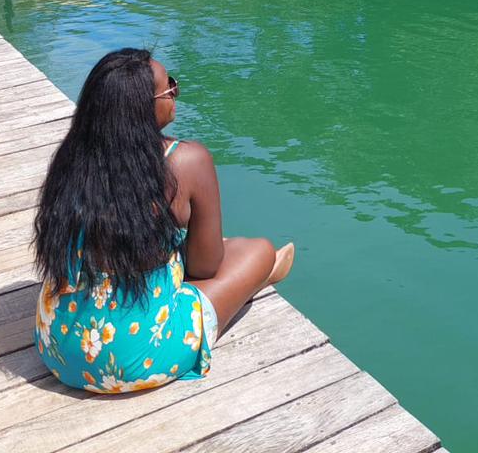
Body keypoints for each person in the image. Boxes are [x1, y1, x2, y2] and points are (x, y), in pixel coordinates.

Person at [33, 49, 294, 393]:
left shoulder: (73, 158)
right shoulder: (186, 161)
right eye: (168, 88)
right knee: (259, 251)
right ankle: (258, 275)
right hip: (136, 357)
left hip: (59, 346)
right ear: (142, 108)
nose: (175, 91)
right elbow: (204, 268)